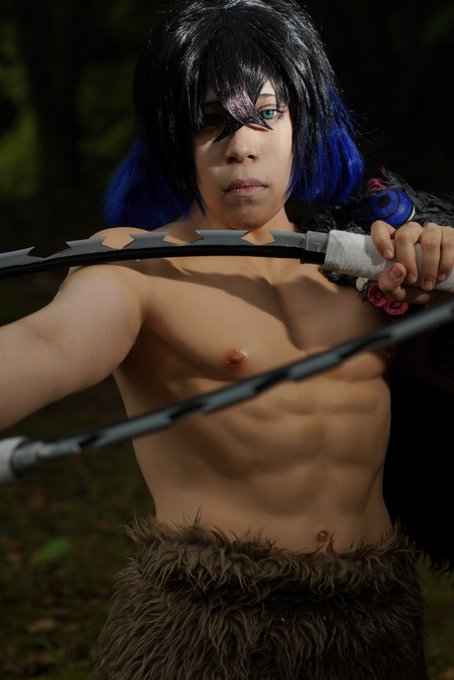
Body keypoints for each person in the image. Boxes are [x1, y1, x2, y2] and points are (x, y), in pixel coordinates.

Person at [1, 0, 453, 677]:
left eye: (265, 114)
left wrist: (441, 279)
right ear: (172, 136)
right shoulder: (138, 264)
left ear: (302, 121)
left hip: (374, 620)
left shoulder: (368, 263)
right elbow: (48, 345)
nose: (240, 145)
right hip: (205, 626)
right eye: (210, 120)